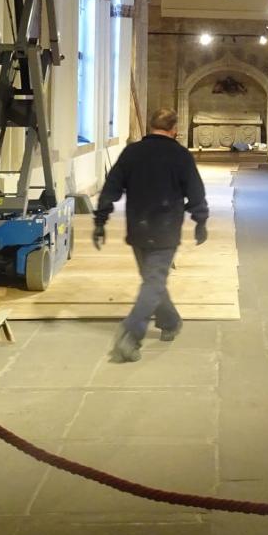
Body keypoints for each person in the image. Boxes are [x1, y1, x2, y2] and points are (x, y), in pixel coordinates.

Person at [93, 107, 209, 362]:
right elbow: (196, 192)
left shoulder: (132, 153)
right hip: (166, 228)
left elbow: (111, 187)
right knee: (153, 281)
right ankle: (135, 333)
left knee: (151, 280)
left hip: (138, 226)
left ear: (150, 126)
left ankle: (162, 324)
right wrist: (200, 221)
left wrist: (100, 220)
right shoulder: (180, 155)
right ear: (174, 129)